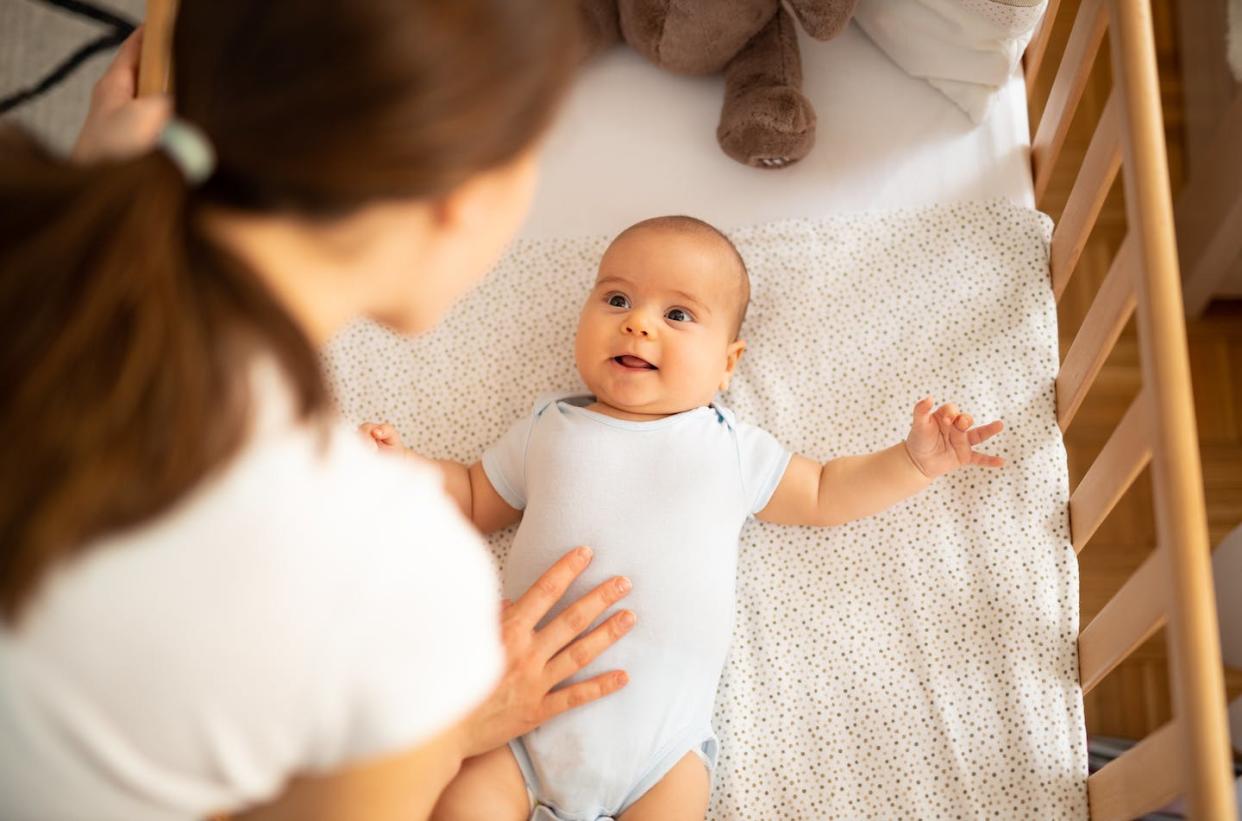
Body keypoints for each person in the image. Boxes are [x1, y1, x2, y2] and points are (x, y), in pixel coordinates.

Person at [0, 3, 638, 819]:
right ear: (459, 201)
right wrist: (456, 728)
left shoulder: (39, 237)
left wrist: (100, 176)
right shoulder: (398, 574)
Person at [361, 215, 1005, 820]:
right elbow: (474, 497)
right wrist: (404, 470)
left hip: (661, 754)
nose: (638, 324)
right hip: (512, 730)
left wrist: (913, 463)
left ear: (728, 363)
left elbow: (826, 493)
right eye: (616, 300)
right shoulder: (548, 426)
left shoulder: (730, 447)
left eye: (677, 313)